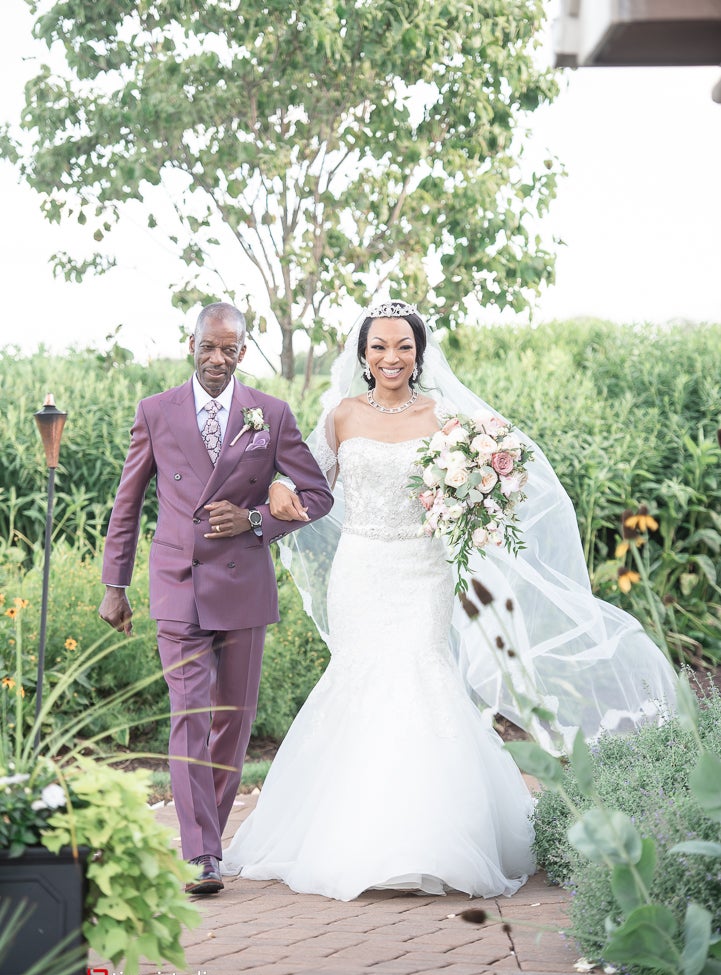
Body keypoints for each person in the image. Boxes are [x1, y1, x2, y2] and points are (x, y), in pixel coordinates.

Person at [220, 300, 679, 903]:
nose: (392, 357)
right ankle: (353, 833)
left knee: (422, 675)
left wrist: (477, 508)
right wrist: (278, 492)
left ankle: (431, 838)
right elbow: (311, 487)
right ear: (362, 354)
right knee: (361, 678)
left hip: (423, 568)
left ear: (419, 353)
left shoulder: (448, 419)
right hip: (361, 568)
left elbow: (492, 485)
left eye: (403, 346)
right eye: (380, 346)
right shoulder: (339, 415)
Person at [99, 302, 333, 894]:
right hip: (177, 584)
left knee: (233, 721)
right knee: (189, 716)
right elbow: (127, 503)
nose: (217, 359)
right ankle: (201, 854)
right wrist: (114, 583)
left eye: (229, 349)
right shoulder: (156, 412)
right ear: (192, 343)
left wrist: (255, 522)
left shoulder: (270, 415)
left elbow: (317, 494)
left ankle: (213, 836)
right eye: (209, 346)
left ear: (242, 353)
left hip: (242, 585)